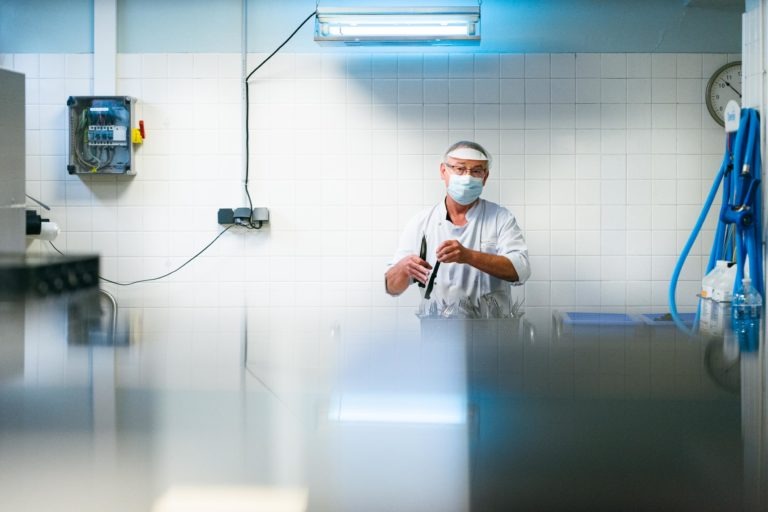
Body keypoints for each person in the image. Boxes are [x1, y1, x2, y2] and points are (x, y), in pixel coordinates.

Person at [385, 141, 530, 313]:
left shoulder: (501, 218)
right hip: (438, 331)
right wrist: (403, 268)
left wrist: (468, 256)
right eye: (459, 169)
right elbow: (391, 288)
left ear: (485, 177)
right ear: (443, 171)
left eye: (476, 171)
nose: (467, 177)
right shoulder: (422, 223)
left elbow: (521, 270)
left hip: (491, 330)